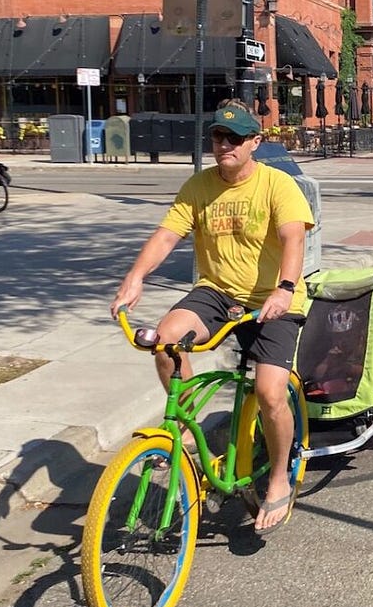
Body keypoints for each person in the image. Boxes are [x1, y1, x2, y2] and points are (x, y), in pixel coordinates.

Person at [111, 100, 314, 533]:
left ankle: (279, 476)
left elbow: (292, 239)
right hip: (217, 292)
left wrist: (285, 288)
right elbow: (167, 235)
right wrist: (134, 278)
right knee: (165, 342)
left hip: (271, 300)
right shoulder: (198, 186)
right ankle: (183, 433)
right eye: (219, 137)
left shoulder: (278, 185)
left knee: (270, 391)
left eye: (235, 138)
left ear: (254, 143)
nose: (225, 145)